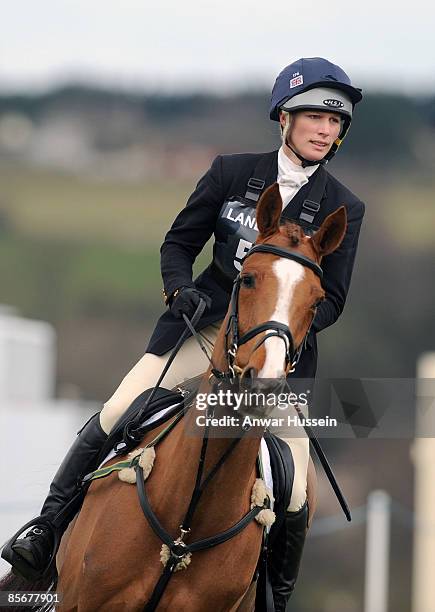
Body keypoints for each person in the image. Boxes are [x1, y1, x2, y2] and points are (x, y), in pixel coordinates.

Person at [3, 57, 365, 610]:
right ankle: (43, 538)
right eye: (314, 116)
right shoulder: (230, 172)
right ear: (284, 120)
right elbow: (178, 245)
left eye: (334, 122)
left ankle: (275, 597)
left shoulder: (345, 207)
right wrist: (180, 290)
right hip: (201, 328)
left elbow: (332, 300)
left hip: (272, 351)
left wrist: (283, 326)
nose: (325, 129)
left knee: (293, 485)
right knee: (117, 412)